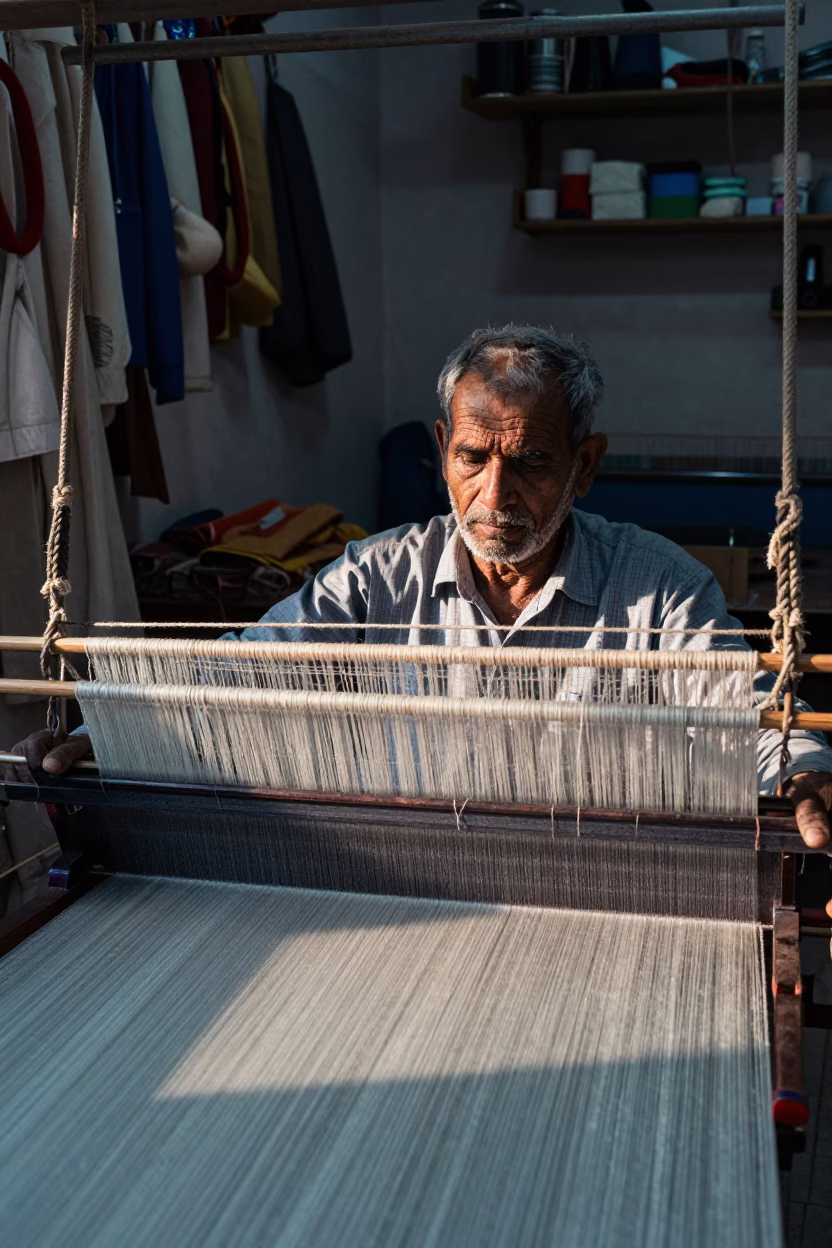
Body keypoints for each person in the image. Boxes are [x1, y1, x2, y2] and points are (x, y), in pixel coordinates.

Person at [10, 324, 832, 864]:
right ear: (443, 451)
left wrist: (803, 775)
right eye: (474, 457)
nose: (495, 493)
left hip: (610, 886)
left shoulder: (658, 589)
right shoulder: (377, 577)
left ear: (586, 464)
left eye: (533, 461)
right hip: (412, 883)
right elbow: (247, 668)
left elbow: (750, 717)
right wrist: (122, 724)